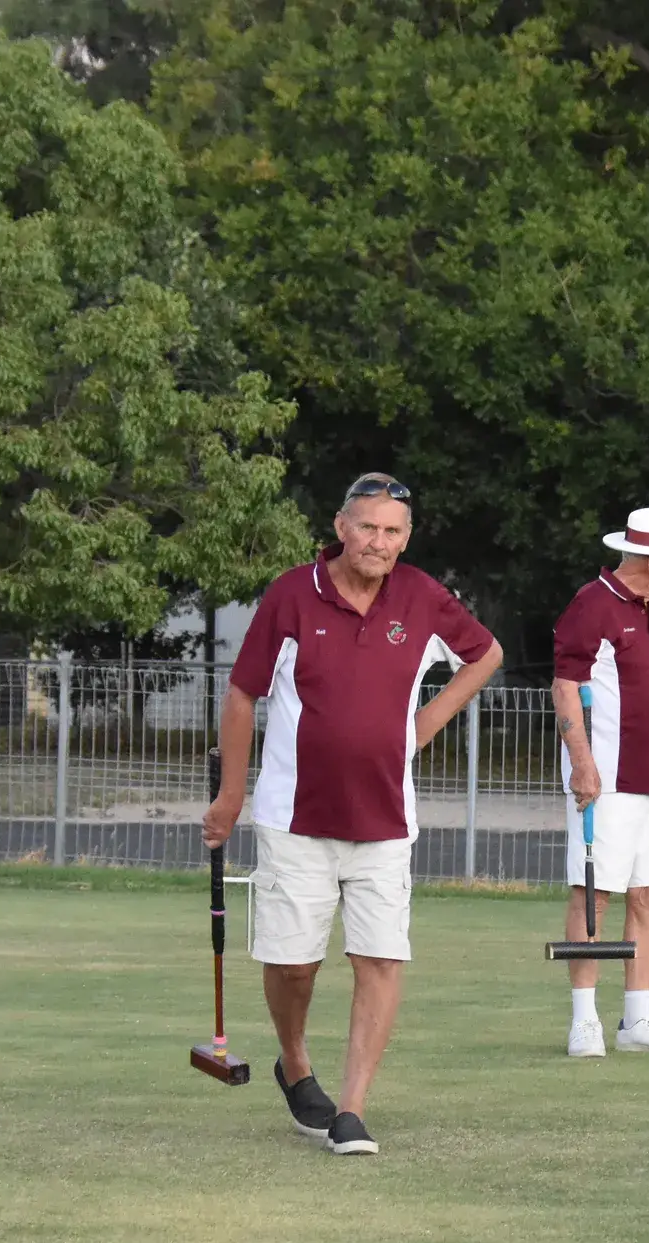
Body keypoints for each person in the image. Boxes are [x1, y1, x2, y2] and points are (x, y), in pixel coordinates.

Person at [201, 473, 503, 1154]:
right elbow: (244, 695)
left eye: (393, 531)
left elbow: (486, 654)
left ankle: (354, 1109)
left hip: (387, 820)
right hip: (294, 819)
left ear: (406, 539)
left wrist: (422, 726)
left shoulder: (421, 596)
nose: (379, 541)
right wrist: (230, 794)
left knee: (380, 959)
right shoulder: (290, 595)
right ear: (341, 527)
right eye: (367, 527)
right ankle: (295, 1062)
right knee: (293, 966)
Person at [552, 506, 649, 1057]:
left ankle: (636, 1021)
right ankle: (584, 1021)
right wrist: (582, 763)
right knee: (594, 895)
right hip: (607, 780)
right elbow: (565, 686)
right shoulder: (592, 605)